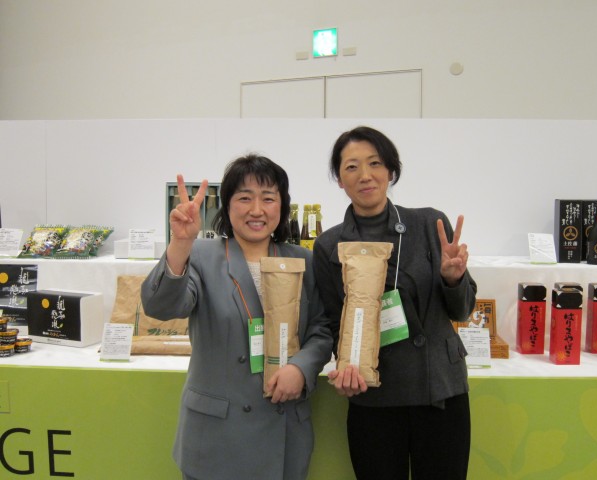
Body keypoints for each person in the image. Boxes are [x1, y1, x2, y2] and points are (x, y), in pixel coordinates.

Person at [141, 154, 333, 480]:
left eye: (268, 198)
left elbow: (321, 328)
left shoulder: (303, 260)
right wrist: (181, 243)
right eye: (245, 198)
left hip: (284, 428)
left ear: (282, 206)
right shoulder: (201, 255)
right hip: (218, 436)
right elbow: (161, 307)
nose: (257, 210)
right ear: (227, 206)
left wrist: (301, 369)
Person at [313, 126, 477, 480]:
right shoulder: (329, 246)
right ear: (339, 179)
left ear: (391, 170)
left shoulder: (429, 224)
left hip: (438, 391)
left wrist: (453, 279)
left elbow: (462, 310)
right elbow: (331, 323)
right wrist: (342, 367)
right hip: (373, 396)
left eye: (375, 163)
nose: (365, 175)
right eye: (352, 167)